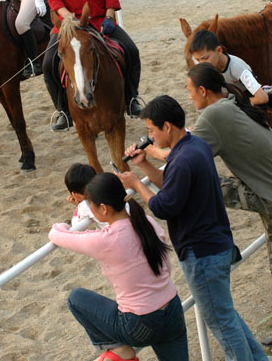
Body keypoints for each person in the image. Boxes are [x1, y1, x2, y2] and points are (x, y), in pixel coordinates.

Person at [117, 95, 268, 361]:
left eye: (151, 130)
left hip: (202, 254)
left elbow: (164, 206)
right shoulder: (194, 146)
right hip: (216, 245)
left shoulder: (184, 158)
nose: (149, 137)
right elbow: (172, 185)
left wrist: (136, 184)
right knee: (226, 315)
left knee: (221, 322)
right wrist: (143, 164)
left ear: (167, 127)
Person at [49, 172, 189, 361]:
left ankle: (117, 349)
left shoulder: (106, 240)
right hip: (172, 310)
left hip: (139, 325)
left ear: (104, 209)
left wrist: (64, 223)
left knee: (76, 298)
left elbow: (57, 234)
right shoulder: (146, 222)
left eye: (90, 206)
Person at [42, 0, 142, 130]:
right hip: (68, 24)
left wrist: (109, 16)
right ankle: (63, 111)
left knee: (132, 51)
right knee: (48, 63)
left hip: (98, 21)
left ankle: (132, 99)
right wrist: (70, 18)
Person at [187, 62, 272, 274]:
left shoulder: (213, 114)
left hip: (268, 193)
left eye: (189, 91)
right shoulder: (233, 101)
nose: (189, 97)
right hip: (266, 187)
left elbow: (184, 157)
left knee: (202, 183)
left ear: (203, 91)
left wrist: (151, 153)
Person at [189, 30, 269, 106]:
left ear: (219, 50)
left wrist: (235, 105)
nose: (201, 63)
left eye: (205, 58)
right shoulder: (206, 66)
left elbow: (262, 98)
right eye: (197, 60)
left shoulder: (237, 67)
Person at [64, 162, 107, 228]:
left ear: (75, 195)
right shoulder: (106, 188)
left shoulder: (85, 205)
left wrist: (78, 207)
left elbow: (75, 226)